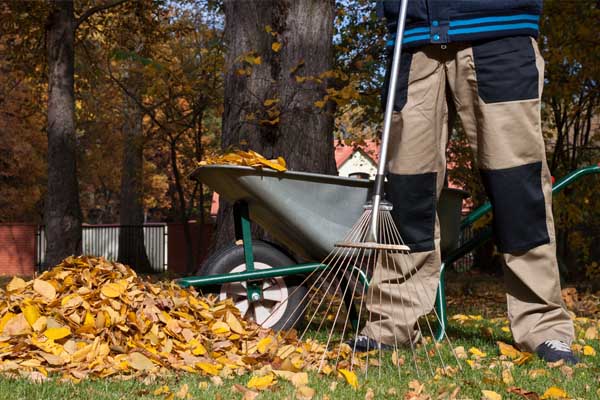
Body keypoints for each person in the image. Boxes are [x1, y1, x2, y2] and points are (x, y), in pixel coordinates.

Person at [348, 0, 578, 364]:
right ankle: (391, 324)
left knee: (517, 188)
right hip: (414, 37)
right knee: (407, 190)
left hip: (500, 30)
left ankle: (544, 326)